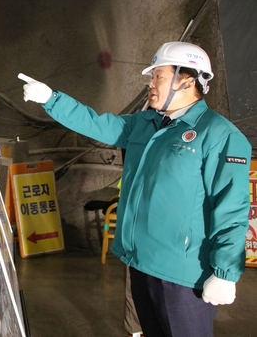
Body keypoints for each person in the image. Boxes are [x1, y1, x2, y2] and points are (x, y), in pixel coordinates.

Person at [18, 41, 251, 337]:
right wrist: (51, 98)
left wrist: (225, 272)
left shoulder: (218, 135)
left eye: (159, 77)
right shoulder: (145, 123)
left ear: (187, 81)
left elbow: (231, 208)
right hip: (139, 262)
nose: (150, 85)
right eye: (151, 77)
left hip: (181, 274)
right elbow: (95, 124)